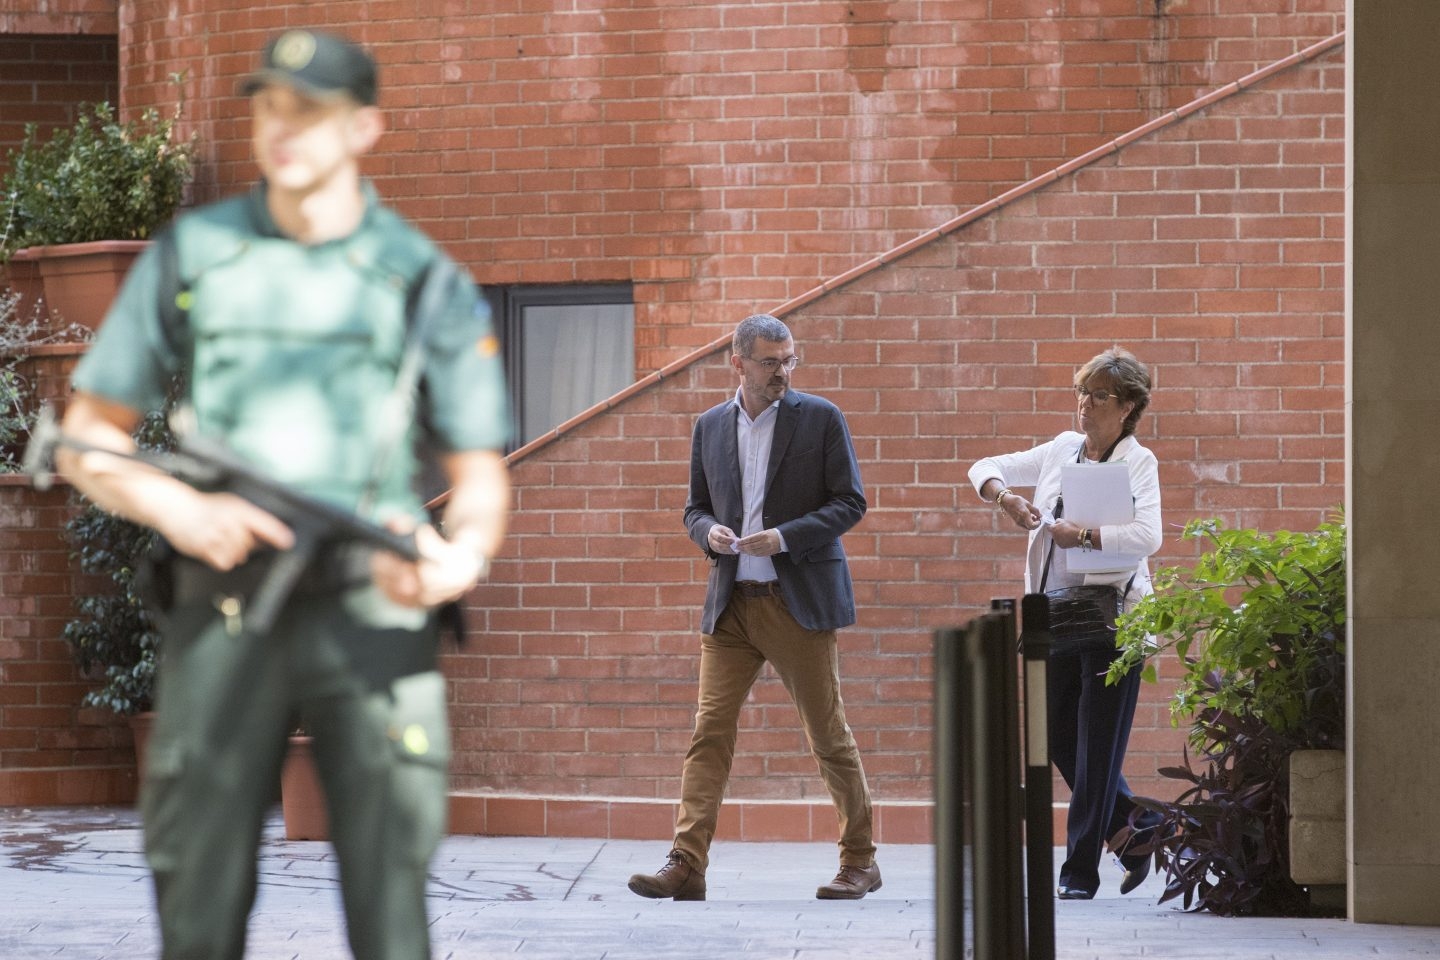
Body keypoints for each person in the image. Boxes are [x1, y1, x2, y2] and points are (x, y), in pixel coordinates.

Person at [55, 30, 510, 960]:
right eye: (268, 107)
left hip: (373, 608)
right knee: (198, 899)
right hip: (224, 609)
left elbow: (480, 477)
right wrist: (179, 508)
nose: (283, 129)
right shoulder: (199, 254)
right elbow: (84, 441)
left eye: (310, 110)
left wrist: (459, 559)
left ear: (366, 127)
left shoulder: (422, 277)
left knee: (393, 906)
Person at [627, 313, 880, 901]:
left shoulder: (820, 419)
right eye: (770, 362)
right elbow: (693, 507)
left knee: (827, 735)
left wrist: (785, 535)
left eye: (790, 360)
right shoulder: (710, 426)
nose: (782, 373)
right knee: (708, 734)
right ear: (736, 362)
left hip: (798, 604)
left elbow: (851, 502)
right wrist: (709, 531)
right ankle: (687, 863)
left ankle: (860, 860)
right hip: (731, 604)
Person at [966, 346, 1163, 901]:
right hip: (1054, 615)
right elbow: (984, 466)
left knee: (1098, 747)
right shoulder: (1061, 449)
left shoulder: (1137, 462)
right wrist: (1005, 498)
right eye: (1081, 391)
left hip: (1115, 622)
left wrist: (1084, 536)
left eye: (1099, 395)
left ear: (1126, 407)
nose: (1085, 403)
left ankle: (1079, 872)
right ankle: (1136, 830)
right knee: (1054, 734)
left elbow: (1149, 536)